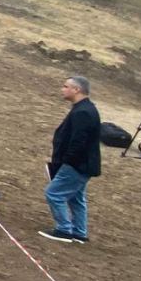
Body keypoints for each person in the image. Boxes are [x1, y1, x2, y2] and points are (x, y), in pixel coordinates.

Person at [40, 76, 100, 244]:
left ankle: (64, 230)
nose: (62, 89)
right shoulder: (84, 109)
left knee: (53, 193)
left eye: (66, 86)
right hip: (81, 164)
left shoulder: (83, 112)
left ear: (77, 90)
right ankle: (79, 232)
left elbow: (78, 142)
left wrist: (65, 162)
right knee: (76, 198)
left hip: (76, 165)